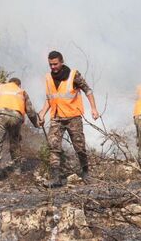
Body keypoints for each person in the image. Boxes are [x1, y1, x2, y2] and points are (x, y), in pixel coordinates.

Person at [38, 50, 100, 187]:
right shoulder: (48, 78)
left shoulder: (73, 75)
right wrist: (42, 113)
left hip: (73, 117)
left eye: (55, 64)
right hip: (56, 117)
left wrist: (94, 109)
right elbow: (50, 98)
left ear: (61, 62)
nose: (53, 67)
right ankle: (55, 178)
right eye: (50, 64)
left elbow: (88, 91)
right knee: (53, 147)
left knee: (80, 147)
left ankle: (85, 173)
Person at [0, 77, 39, 183]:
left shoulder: (1, 87)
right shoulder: (22, 91)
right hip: (16, 117)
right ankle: (17, 169)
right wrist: (35, 124)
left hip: (1, 115)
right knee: (15, 142)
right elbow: (31, 112)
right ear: (18, 85)